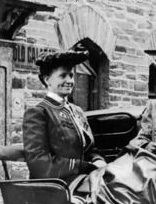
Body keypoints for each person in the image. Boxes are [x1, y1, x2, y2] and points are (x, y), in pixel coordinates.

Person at [22, 50, 107, 183]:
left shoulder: (77, 111)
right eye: (63, 76)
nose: (69, 81)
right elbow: (38, 163)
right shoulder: (39, 113)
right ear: (47, 80)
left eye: (71, 76)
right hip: (54, 187)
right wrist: (83, 167)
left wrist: (98, 160)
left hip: (84, 180)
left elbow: (90, 149)